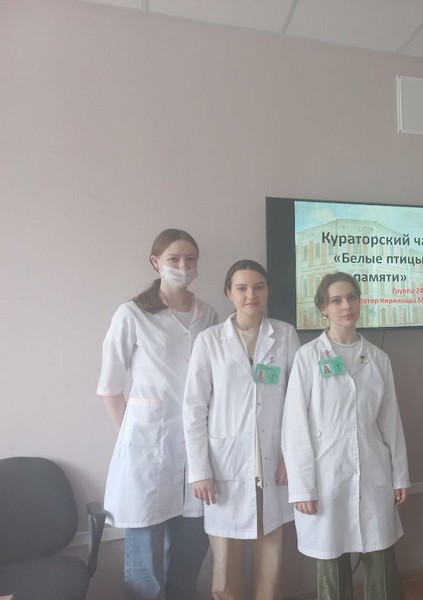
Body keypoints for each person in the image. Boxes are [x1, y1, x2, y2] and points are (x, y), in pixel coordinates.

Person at [98, 228, 218, 600]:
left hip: (196, 450)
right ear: (156, 262)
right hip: (144, 449)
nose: (183, 266)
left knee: (189, 555)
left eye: (190, 259)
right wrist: (130, 438)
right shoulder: (131, 314)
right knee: (145, 569)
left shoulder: (208, 315)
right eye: (174, 259)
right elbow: (110, 387)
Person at [282, 272, 410, 600]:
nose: (346, 306)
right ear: (323, 308)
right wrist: (302, 486)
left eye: (352, 297)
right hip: (326, 475)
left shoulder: (378, 359)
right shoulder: (308, 357)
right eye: (336, 300)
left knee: (381, 559)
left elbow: (390, 422)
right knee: (332, 563)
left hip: (374, 472)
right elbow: (295, 427)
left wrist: (400, 475)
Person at [183, 260, 300, 600]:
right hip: (225, 466)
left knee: (271, 559)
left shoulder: (285, 335)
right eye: (242, 288)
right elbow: (194, 409)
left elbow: (298, 403)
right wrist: (200, 471)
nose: (251, 295)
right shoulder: (209, 341)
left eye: (259, 287)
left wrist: (291, 456)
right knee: (225, 563)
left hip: (272, 462)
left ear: (267, 291)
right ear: (228, 293)